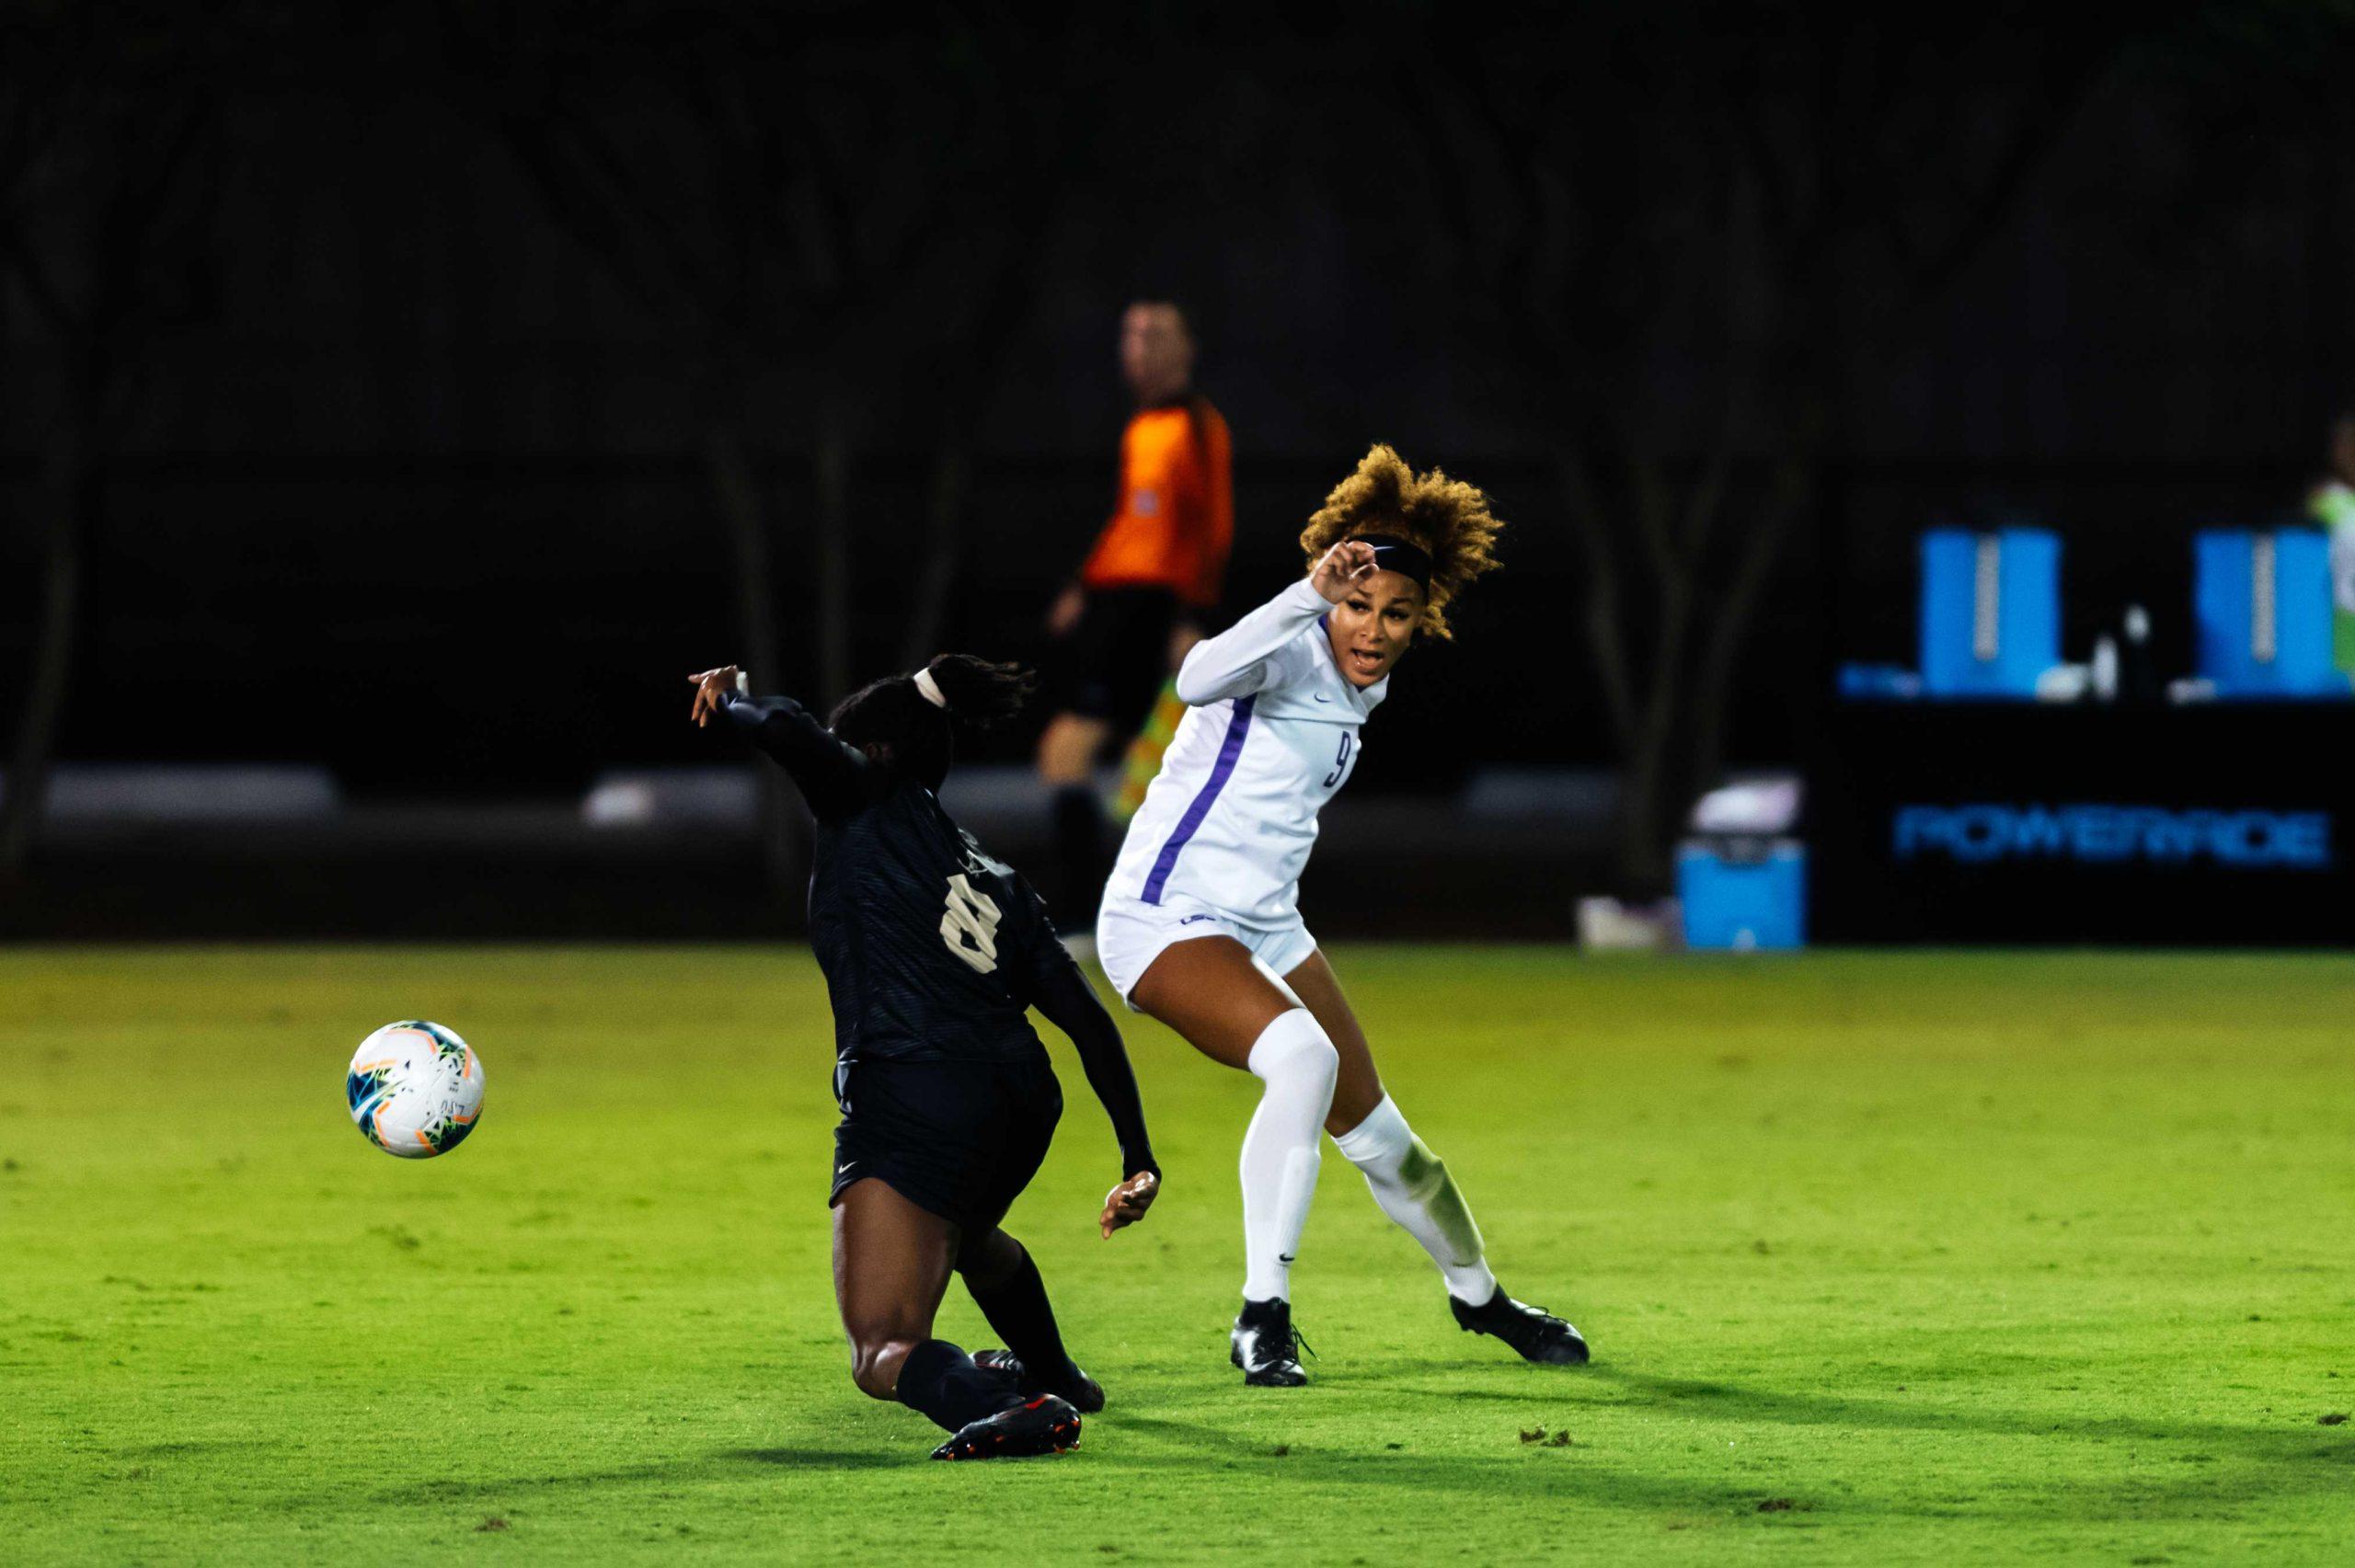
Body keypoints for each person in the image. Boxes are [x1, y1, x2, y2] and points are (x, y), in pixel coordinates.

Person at [1094, 444, 1587, 1387]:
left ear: (1417, 620)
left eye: (1393, 613)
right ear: (1328, 592)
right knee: (1302, 1056)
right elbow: (1194, 677)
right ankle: (1260, 1313)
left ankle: (1481, 1299)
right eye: (1356, 605)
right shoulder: (1285, 643)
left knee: (1390, 1144)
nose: (1370, 627)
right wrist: (1303, 592)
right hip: (1163, 918)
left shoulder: (1372, 679)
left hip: (1267, 928)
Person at [689, 654, 1162, 1459]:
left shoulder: (864, 795)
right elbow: (1087, 1022)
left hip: (914, 1092)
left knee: (881, 1347)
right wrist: (1137, 1156)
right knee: (965, 1229)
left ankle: (1022, 1410)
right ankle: (1055, 1374)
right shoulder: (998, 876)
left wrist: (731, 699)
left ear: (872, 753)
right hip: (1021, 1100)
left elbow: (788, 728)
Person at [1038, 301, 1234, 926]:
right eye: (1130, 335)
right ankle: (1117, 911)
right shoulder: (1141, 428)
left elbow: (1210, 528)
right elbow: (1133, 524)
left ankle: (1085, 915)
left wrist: (1192, 615)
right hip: (1117, 604)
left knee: (1079, 752)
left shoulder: (1198, 427)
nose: (1139, 346)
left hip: (1153, 608)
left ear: (1186, 349)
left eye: (1154, 334)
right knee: (1124, 764)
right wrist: (1084, 583)